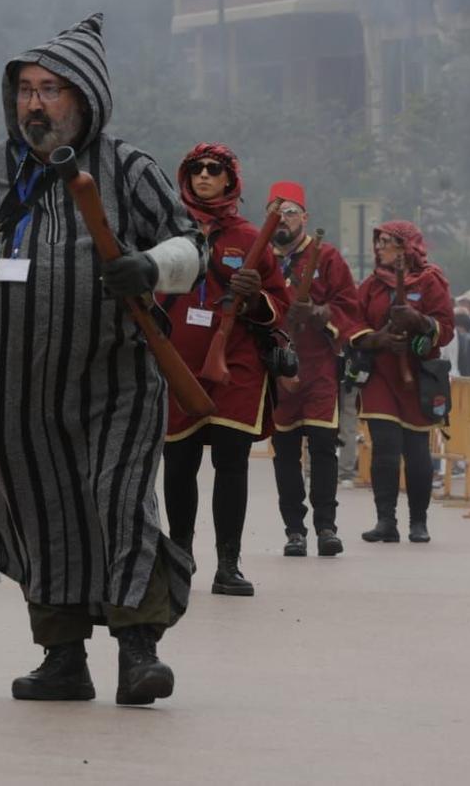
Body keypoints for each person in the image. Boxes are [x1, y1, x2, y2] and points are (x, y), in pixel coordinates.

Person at [0, 14, 202, 706]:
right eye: (26, 90)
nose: (35, 104)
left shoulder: (128, 170)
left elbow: (192, 246)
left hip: (116, 380)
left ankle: (138, 651)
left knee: (119, 500)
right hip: (12, 392)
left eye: (52, 89)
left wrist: (149, 266)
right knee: (39, 511)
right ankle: (62, 656)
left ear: (86, 97)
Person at [159, 145, 290, 599]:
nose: (204, 176)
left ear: (231, 178)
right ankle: (179, 556)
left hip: (236, 364)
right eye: (195, 169)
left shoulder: (251, 238)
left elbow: (280, 307)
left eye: (215, 170)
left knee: (231, 463)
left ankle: (229, 564)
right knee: (178, 463)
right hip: (178, 361)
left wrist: (256, 298)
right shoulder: (166, 233)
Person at [263, 182, 359, 559]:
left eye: (289, 211)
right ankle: (294, 530)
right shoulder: (261, 257)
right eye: (276, 211)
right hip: (278, 367)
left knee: (322, 448)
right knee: (284, 450)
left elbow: (348, 304)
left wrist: (322, 316)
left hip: (318, 366)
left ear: (304, 217)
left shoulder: (328, 257)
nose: (283, 218)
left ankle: (326, 526)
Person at [347, 221, 454, 544]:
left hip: (417, 377)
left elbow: (445, 327)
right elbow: (353, 322)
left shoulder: (430, 281)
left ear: (406, 246)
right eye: (377, 242)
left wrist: (419, 321)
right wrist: (377, 339)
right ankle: (385, 521)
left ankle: (418, 522)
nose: (379, 248)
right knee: (385, 448)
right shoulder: (371, 285)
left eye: (387, 242)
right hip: (381, 373)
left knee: (417, 450)